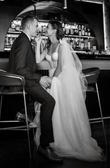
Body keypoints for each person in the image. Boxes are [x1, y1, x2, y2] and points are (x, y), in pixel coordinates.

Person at [34, 20, 104, 161]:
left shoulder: (62, 45)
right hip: (52, 79)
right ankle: (50, 138)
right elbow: (37, 60)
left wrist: (52, 81)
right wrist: (37, 44)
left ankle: (64, 139)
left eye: (47, 27)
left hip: (60, 79)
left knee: (57, 107)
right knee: (48, 105)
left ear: (54, 30)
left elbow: (60, 68)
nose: (45, 29)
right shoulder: (48, 46)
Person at [8, 15, 63, 163]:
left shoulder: (23, 40)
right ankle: (44, 146)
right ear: (30, 26)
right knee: (49, 102)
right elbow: (20, 69)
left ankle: (24, 113)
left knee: (45, 99)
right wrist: (39, 78)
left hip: (26, 81)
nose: (38, 29)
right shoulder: (24, 42)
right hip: (24, 82)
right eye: (37, 26)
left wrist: (39, 78)